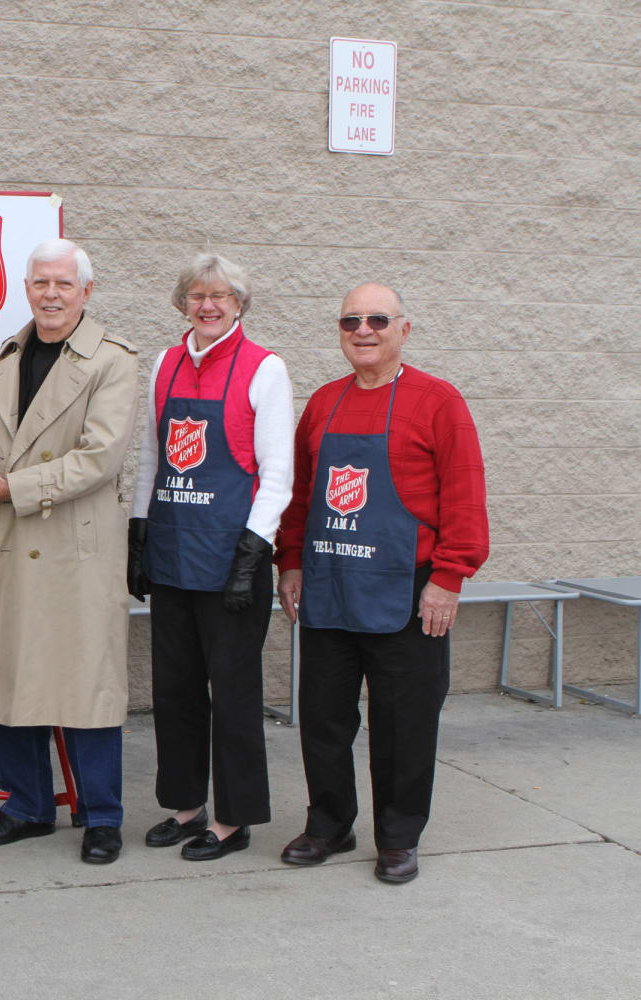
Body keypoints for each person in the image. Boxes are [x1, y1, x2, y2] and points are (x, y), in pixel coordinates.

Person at [0, 238, 139, 865]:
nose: (51, 294)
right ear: (27, 288)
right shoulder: (9, 354)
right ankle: (27, 806)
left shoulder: (112, 362)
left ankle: (102, 816)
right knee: (10, 675)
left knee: (85, 686)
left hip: (74, 547)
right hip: (13, 540)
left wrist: (12, 487)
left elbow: (99, 459)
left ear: (86, 292)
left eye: (64, 284)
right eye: (41, 282)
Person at [275, 283, 488, 884]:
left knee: (405, 721)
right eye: (350, 321)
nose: (363, 330)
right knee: (323, 717)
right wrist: (290, 560)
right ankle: (329, 823)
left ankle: (398, 836)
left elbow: (466, 497)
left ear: (403, 329)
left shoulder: (438, 401)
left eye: (376, 319)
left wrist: (448, 579)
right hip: (329, 584)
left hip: (409, 591)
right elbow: (300, 497)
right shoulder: (324, 403)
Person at [127, 254, 294, 861]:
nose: (209, 305)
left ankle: (233, 818)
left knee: (234, 693)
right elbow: (152, 457)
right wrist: (139, 531)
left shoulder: (264, 369)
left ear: (240, 304)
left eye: (222, 295)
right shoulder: (165, 364)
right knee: (174, 692)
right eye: (198, 294)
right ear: (182, 303)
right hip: (173, 553)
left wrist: (254, 552)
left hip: (230, 560)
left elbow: (278, 475)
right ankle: (185, 806)